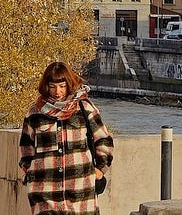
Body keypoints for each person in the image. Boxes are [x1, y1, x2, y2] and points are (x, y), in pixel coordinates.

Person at [18, 62, 114, 215]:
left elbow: (103, 140)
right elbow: (26, 147)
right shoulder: (35, 113)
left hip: (80, 190)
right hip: (44, 192)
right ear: (46, 86)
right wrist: (30, 173)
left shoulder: (84, 108)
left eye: (62, 86)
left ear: (68, 85)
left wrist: (100, 170)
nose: (57, 92)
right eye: (52, 86)